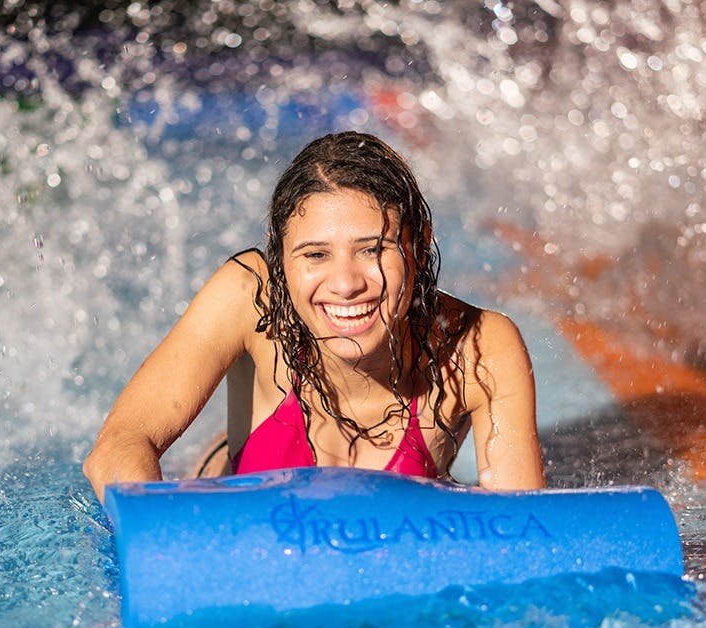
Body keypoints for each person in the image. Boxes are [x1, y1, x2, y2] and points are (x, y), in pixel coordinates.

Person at [83, 131, 545, 500]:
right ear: (281, 257)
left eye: (372, 249)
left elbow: (523, 529)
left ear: (419, 246)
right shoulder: (250, 297)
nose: (346, 284)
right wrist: (170, 546)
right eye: (315, 255)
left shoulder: (478, 346)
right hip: (228, 484)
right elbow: (118, 448)